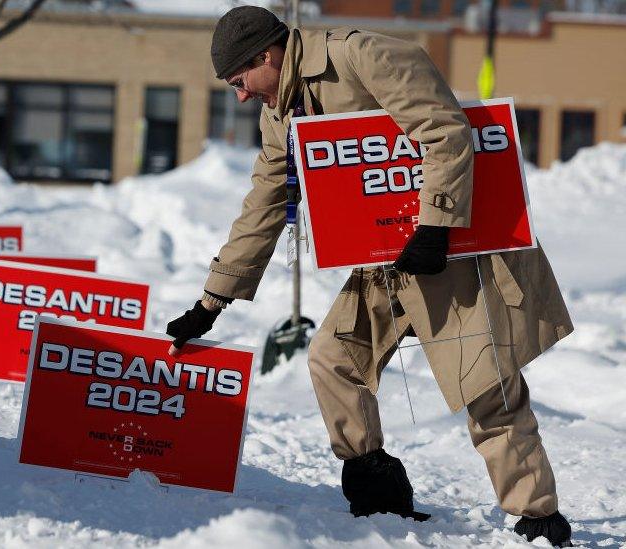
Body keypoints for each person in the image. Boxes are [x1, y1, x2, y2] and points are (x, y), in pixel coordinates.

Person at [165, 6, 574, 547]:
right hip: (383, 262)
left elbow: (444, 129)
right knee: (334, 360)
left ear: (265, 55)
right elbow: (265, 201)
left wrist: (435, 225)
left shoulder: (362, 56)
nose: (241, 95)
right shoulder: (279, 111)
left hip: (449, 252)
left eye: (240, 80)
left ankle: (538, 518)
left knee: (487, 386)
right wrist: (211, 302)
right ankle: (378, 492)